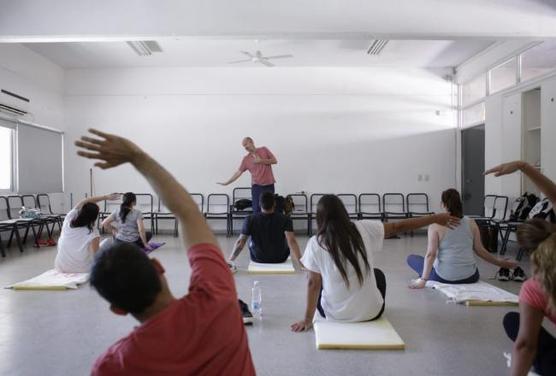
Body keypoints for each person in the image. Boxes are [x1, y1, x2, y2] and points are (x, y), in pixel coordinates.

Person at [75, 129, 255, 375]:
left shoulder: (114, 366)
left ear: (118, 309)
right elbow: (188, 213)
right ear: (159, 267)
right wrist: (137, 157)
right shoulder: (218, 300)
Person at [291, 194, 460, 332]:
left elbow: (313, 283)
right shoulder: (363, 228)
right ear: (344, 212)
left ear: (320, 218)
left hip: (334, 315)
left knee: (319, 278)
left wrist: (307, 319)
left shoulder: (315, 242)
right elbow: (398, 226)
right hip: (371, 313)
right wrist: (435, 218)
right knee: (378, 275)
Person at [485, 160, 556, 376]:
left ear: (526, 252)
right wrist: (522, 166)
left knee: (513, 321)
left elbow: (525, 346)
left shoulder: (535, 287)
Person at [407, 189, 518, 289]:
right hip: (471, 276)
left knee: (412, 258)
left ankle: (425, 275)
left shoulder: (435, 225)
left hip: (444, 277)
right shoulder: (471, 222)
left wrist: (423, 280)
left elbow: (431, 254)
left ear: (443, 204)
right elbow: (480, 251)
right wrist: (500, 263)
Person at [229, 191, 302, 265]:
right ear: (274, 204)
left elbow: (240, 242)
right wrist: (301, 263)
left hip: (258, 258)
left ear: (259, 204)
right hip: (280, 258)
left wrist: (230, 261)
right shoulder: (286, 219)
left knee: (247, 238)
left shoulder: (249, 219)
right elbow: (292, 241)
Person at [54, 193, 120, 273]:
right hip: (82, 270)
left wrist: (105, 197)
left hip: (60, 267)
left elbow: (84, 201)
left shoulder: (69, 219)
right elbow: (97, 256)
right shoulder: (93, 232)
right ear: (94, 218)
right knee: (108, 242)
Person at [218, 137, 277, 213]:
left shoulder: (264, 149)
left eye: (246, 144)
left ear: (251, 142)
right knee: (256, 210)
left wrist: (261, 161)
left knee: (270, 210)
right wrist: (227, 183)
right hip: (257, 187)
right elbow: (238, 172)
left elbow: (274, 161)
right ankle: (257, 225)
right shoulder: (246, 159)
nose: (245, 147)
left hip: (269, 185)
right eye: (244, 146)